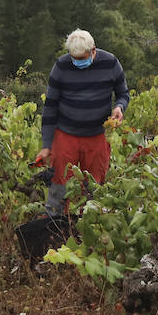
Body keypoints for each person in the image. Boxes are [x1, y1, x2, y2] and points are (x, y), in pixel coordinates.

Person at [36, 29, 130, 218]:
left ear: (93, 51)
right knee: (59, 184)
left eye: (83, 58)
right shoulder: (61, 66)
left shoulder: (110, 62)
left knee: (94, 187)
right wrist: (47, 146)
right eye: (74, 58)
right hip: (65, 136)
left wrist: (119, 107)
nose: (78, 62)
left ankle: (88, 225)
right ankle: (55, 225)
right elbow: (50, 107)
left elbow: (123, 93)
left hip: (97, 136)